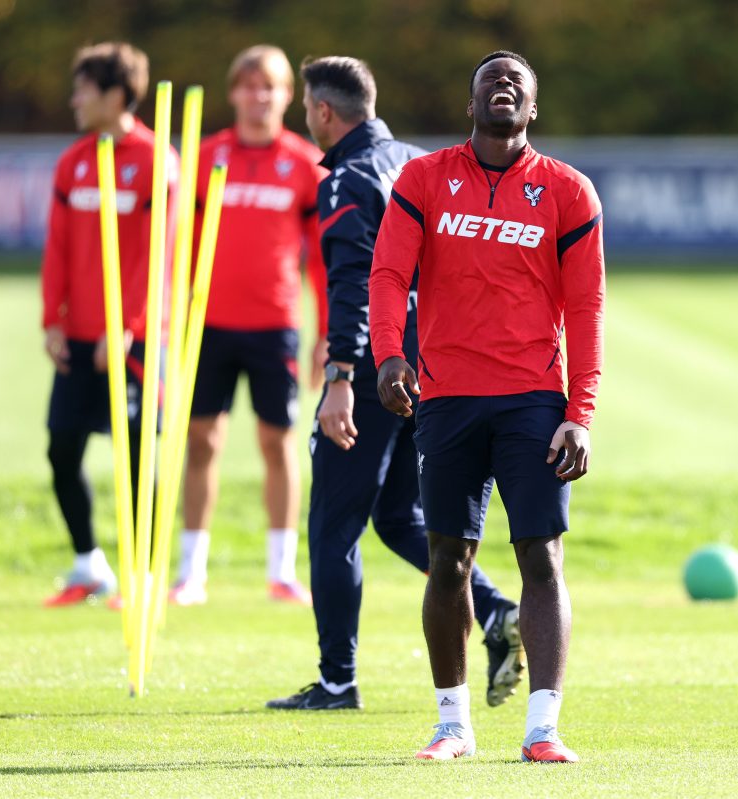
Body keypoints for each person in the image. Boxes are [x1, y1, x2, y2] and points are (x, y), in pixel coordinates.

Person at [265, 56, 523, 712]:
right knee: (400, 515)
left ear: (323, 112)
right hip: (434, 365)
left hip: (378, 369)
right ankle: (497, 609)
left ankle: (336, 681)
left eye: (306, 108)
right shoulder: (419, 164)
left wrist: (340, 376)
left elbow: (354, 283)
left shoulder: (346, 179)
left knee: (333, 525)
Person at [369, 51, 605, 762]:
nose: (503, 84)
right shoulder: (423, 179)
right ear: (470, 105)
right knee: (447, 559)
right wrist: (388, 354)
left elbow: (587, 307)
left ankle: (543, 729)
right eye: (489, 80)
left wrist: (580, 412)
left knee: (542, 558)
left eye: (516, 82)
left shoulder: (568, 191)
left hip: (534, 400)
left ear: (533, 107)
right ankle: (453, 726)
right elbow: (389, 272)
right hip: (446, 397)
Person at [170, 45, 328, 608]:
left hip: (274, 325)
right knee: (200, 442)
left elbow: (321, 260)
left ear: (288, 96)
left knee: (277, 442)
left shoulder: (305, 163)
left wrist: (326, 334)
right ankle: (190, 574)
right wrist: (171, 318)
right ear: (234, 92)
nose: (259, 97)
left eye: (271, 87)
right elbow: (177, 246)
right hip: (207, 324)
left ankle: (281, 572)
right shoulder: (205, 156)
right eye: (250, 85)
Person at [41, 42, 177, 606]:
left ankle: (144, 579)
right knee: (61, 450)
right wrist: (52, 318)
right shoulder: (73, 161)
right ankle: (89, 566)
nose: (74, 100)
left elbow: (156, 252)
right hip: (75, 335)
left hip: (134, 338)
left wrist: (127, 325)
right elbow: (57, 245)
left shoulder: (156, 160)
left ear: (116, 94)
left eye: (84, 90)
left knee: (138, 457)